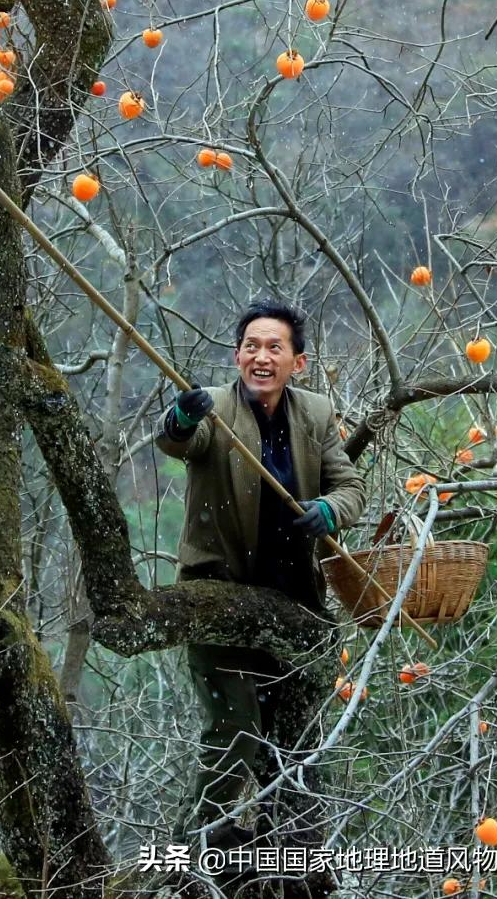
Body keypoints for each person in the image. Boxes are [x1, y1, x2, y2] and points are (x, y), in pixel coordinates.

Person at [155, 298, 366, 853]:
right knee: (235, 729)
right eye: (252, 346)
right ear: (237, 355)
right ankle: (196, 847)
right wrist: (180, 418)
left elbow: (351, 487)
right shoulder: (217, 410)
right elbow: (181, 441)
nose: (262, 357)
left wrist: (330, 511)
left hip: (295, 603)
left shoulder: (315, 413)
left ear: (298, 361)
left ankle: (289, 855)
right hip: (219, 596)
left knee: (295, 739)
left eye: (275, 347)